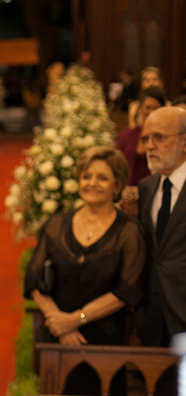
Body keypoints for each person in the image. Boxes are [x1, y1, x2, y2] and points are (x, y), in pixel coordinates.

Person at [25, 147, 146, 353]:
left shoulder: (130, 231)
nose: (92, 183)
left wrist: (75, 320)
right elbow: (34, 279)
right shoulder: (56, 225)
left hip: (104, 341)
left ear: (117, 185)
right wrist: (60, 324)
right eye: (86, 176)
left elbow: (127, 290)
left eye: (102, 178)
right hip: (57, 338)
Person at [137, 106, 186, 347]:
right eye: (146, 138)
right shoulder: (147, 187)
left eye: (159, 137)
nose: (149, 146)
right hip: (153, 319)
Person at [116, 86, 165, 187]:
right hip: (126, 193)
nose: (151, 112)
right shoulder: (126, 135)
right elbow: (116, 164)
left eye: (156, 108)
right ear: (140, 108)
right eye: (148, 107)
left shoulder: (167, 138)